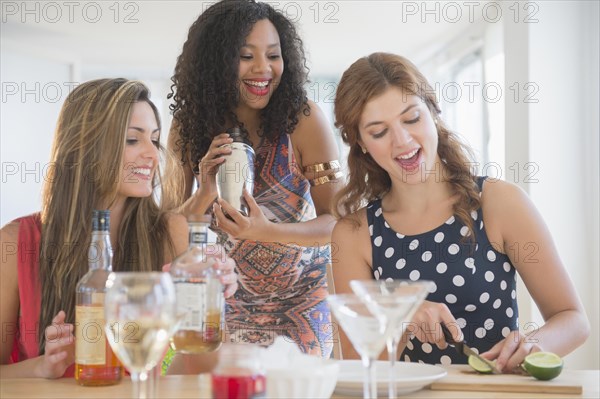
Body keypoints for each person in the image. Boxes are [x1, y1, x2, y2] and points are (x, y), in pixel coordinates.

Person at [331, 52, 590, 372]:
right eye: (379, 131)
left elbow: (573, 319)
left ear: (433, 111)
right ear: (360, 143)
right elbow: (360, 369)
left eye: (411, 118)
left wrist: (534, 345)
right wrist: (399, 319)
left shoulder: (499, 203)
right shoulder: (354, 235)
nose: (402, 140)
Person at [0, 78, 238, 379]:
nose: (152, 155)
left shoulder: (172, 233)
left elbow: (205, 369)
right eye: (132, 139)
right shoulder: (14, 243)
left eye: (154, 138)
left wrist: (210, 302)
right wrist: (41, 367)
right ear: (84, 145)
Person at [163, 0, 341, 359]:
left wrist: (266, 231)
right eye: (246, 56)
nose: (264, 69)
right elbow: (167, 232)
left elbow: (339, 223)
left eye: (273, 55)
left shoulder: (303, 119)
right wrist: (203, 193)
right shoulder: (187, 127)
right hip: (220, 305)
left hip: (302, 308)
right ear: (216, 62)